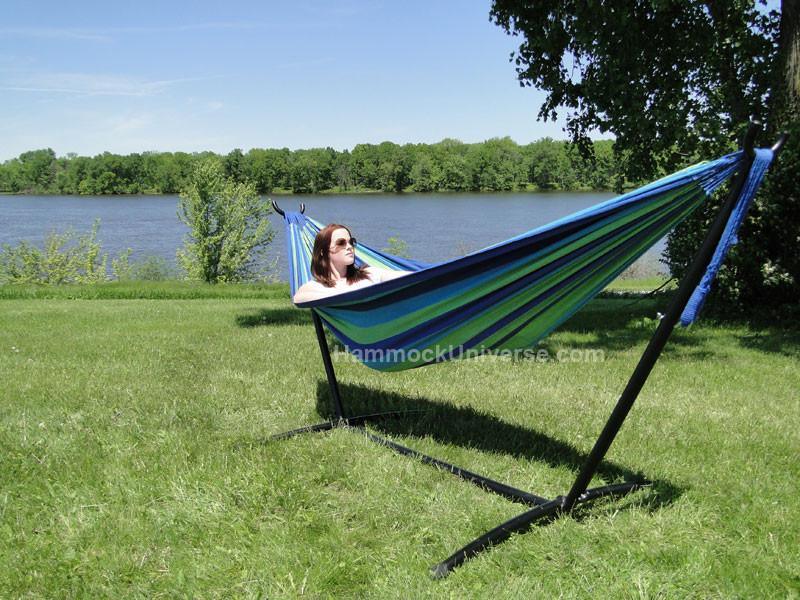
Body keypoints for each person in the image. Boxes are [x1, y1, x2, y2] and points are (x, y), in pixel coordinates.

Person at [292, 223, 411, 304]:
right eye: (341, 243)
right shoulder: (317, 287)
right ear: (323, 252)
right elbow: (298, 298)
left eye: (351, 242)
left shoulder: (370, 273)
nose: (349, 247)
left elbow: (408, 277)